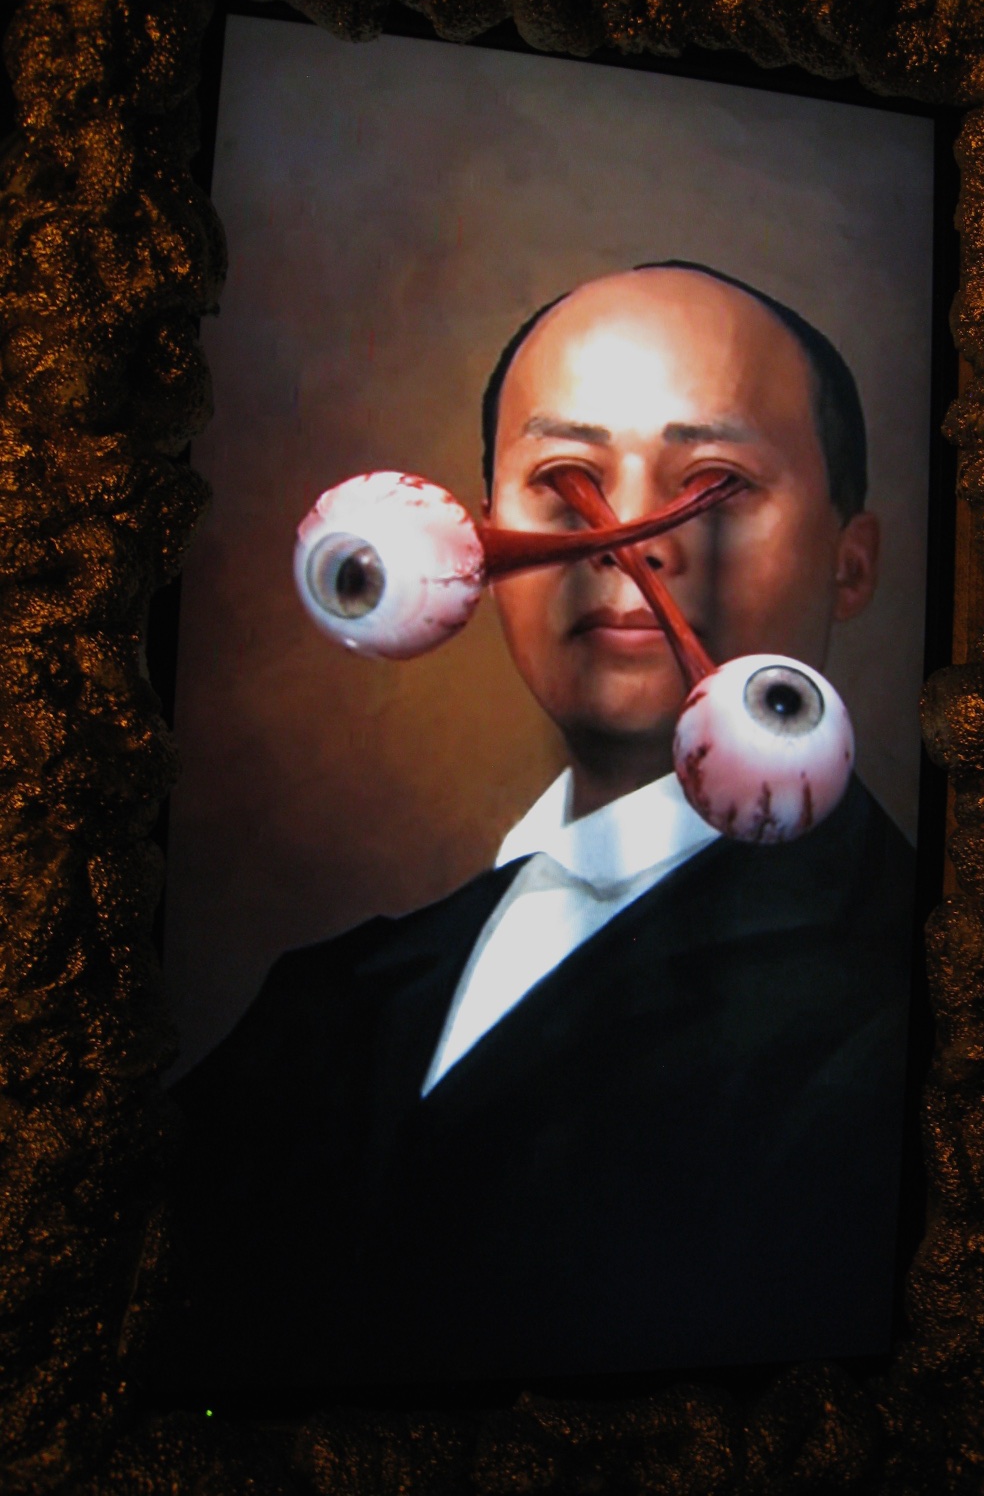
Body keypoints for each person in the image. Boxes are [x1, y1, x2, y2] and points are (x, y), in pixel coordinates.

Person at [162, 262, 915, 1389]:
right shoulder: (331, 1007)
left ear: (851, 565)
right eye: (564, 479)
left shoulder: (908, 1015)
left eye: (714, 483)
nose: (626, 542)